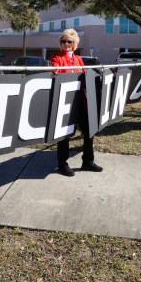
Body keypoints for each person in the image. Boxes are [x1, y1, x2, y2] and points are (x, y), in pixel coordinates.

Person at [51, 28, 102, 177]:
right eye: (63, 41)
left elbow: (85, 78)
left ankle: (87, 161)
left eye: (69, 41)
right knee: (64, 135)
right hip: (65, 102)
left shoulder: (79, 60)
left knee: (88, 131)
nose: (66, 43)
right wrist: (54, 71)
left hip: (80, 100)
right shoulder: (57, 59)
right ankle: (62, 164)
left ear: (74, 44)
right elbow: (55, 72)